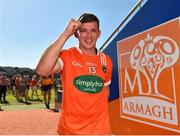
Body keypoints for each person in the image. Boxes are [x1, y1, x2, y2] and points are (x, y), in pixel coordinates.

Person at [36, 13, 113, 134]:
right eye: (83, 31)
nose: (89, 36)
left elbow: (105, 90)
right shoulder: (67, 56)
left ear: (99, 34)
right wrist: (66, 34)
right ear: (76, 34)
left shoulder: (106, 60)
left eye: (93, 31)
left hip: (100, 131)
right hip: (71, 131)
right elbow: (42, 70)